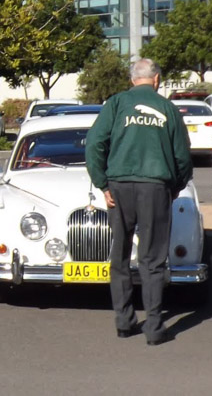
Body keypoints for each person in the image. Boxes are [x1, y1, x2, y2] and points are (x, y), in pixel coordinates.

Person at [86, 58, 192, 346]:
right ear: (156, 79)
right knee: (153, 259)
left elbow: (94, 142)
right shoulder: (168, 108)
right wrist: (176, 186)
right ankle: (155, 327)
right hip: (155, 187)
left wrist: (102, 183)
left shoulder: (116, 104)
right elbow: (182, 155)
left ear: (133, 79)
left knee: (119, 256)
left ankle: (123, 321)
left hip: (119, 188)